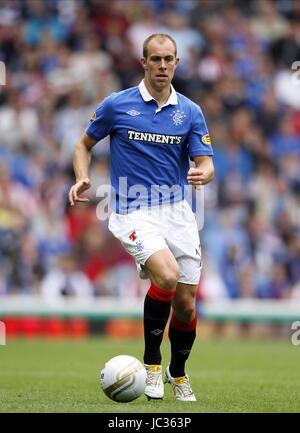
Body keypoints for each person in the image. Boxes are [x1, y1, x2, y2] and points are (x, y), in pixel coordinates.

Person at [68, 33, 214, 402]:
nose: (163, 66)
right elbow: (83, 144)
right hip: (132, 209)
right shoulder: (118, 105)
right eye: (156, 59)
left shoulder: (191, 112)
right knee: (165, 274)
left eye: (169, 60)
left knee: (186, 302)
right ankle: (151, 364)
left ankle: (177, 373)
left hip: (177, 212)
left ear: (177, 63)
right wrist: (82, 176)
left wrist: (205, 172)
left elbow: (206, 161)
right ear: (144, 63)